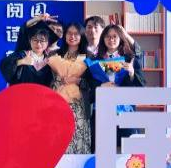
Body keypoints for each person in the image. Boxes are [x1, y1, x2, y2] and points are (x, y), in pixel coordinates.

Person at [90, 24, 145, 152]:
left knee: (129, 151)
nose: (111, 39)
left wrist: (131, 73)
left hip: (125, 112)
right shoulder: (94, 60)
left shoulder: (130, 59)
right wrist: (100, 86)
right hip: (102, 112)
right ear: (103, 39)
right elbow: (88, 85)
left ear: (120, 38)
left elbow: (141, 86)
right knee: (102, 149)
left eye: (115, 36)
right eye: (108, 36)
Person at [47, 23, 92, 154]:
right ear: (65, 35)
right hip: (56, 102)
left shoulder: (89, 56)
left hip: (78, 105)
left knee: (77, 137)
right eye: (69, 33)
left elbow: (92, 82)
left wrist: (77, 80)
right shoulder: (54, 54)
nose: (72, 36)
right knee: (58, 138)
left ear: (82, 36)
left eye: (76, 34)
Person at [0, 22, 55, 86]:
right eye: (35, 40)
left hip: (41, 92)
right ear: (30, 41)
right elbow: (4, 65)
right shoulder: (22, 55)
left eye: (42, 41)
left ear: (47, 43)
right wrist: (21, 62)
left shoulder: (50, 61)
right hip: (22, 91)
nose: (38, 44)